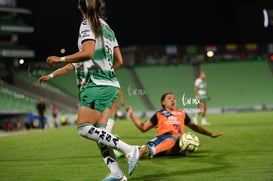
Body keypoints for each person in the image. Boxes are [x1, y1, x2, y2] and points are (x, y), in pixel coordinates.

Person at [42, 0, 139, 180]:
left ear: (81, 6)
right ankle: (117, 174)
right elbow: (119, 61)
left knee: (84, 128)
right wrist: (53, 75)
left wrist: (59, 58)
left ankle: (129, 149)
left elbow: (88, 53)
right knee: (100, 133)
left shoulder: (87, 23)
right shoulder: (108, 28)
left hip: (98, 85)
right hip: (111, 85)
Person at [126, 92, 224, 158]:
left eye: (174, 98)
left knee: (177, 135)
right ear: (163, 102)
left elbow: (195, 126)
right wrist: (131, 115)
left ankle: (152, 150)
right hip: (161, 139)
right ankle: (124, 151)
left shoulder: (182, 113)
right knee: (139, 151)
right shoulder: (159, 113)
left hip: (176, 144)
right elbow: (143, 128)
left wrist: (210, 134)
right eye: (169, 98)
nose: (172, 100)